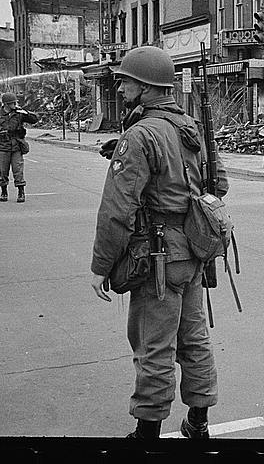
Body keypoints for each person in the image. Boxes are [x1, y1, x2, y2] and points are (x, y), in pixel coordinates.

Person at [89, 45, 229, 440]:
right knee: (194, 338)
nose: (119, 87)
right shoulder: (191, 129)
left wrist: (101, 266)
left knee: (154, 344)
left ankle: (147, 432)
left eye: (126, 81)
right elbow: (219, 186)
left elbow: (117, 210)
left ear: (147, 87)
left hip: (159, 257)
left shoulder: (140, 135)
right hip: (194, 253)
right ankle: (198, 423)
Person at [0, 92, 39, 203]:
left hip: (16, 146)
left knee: (18, 170)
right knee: (3, 171)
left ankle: (21, 192)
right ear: (6, 104)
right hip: (2, 146)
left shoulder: (19, 114)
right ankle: (4, 192)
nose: (15, 105)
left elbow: (34, 119)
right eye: (12, 103)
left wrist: (25, 111)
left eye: (15, 103)